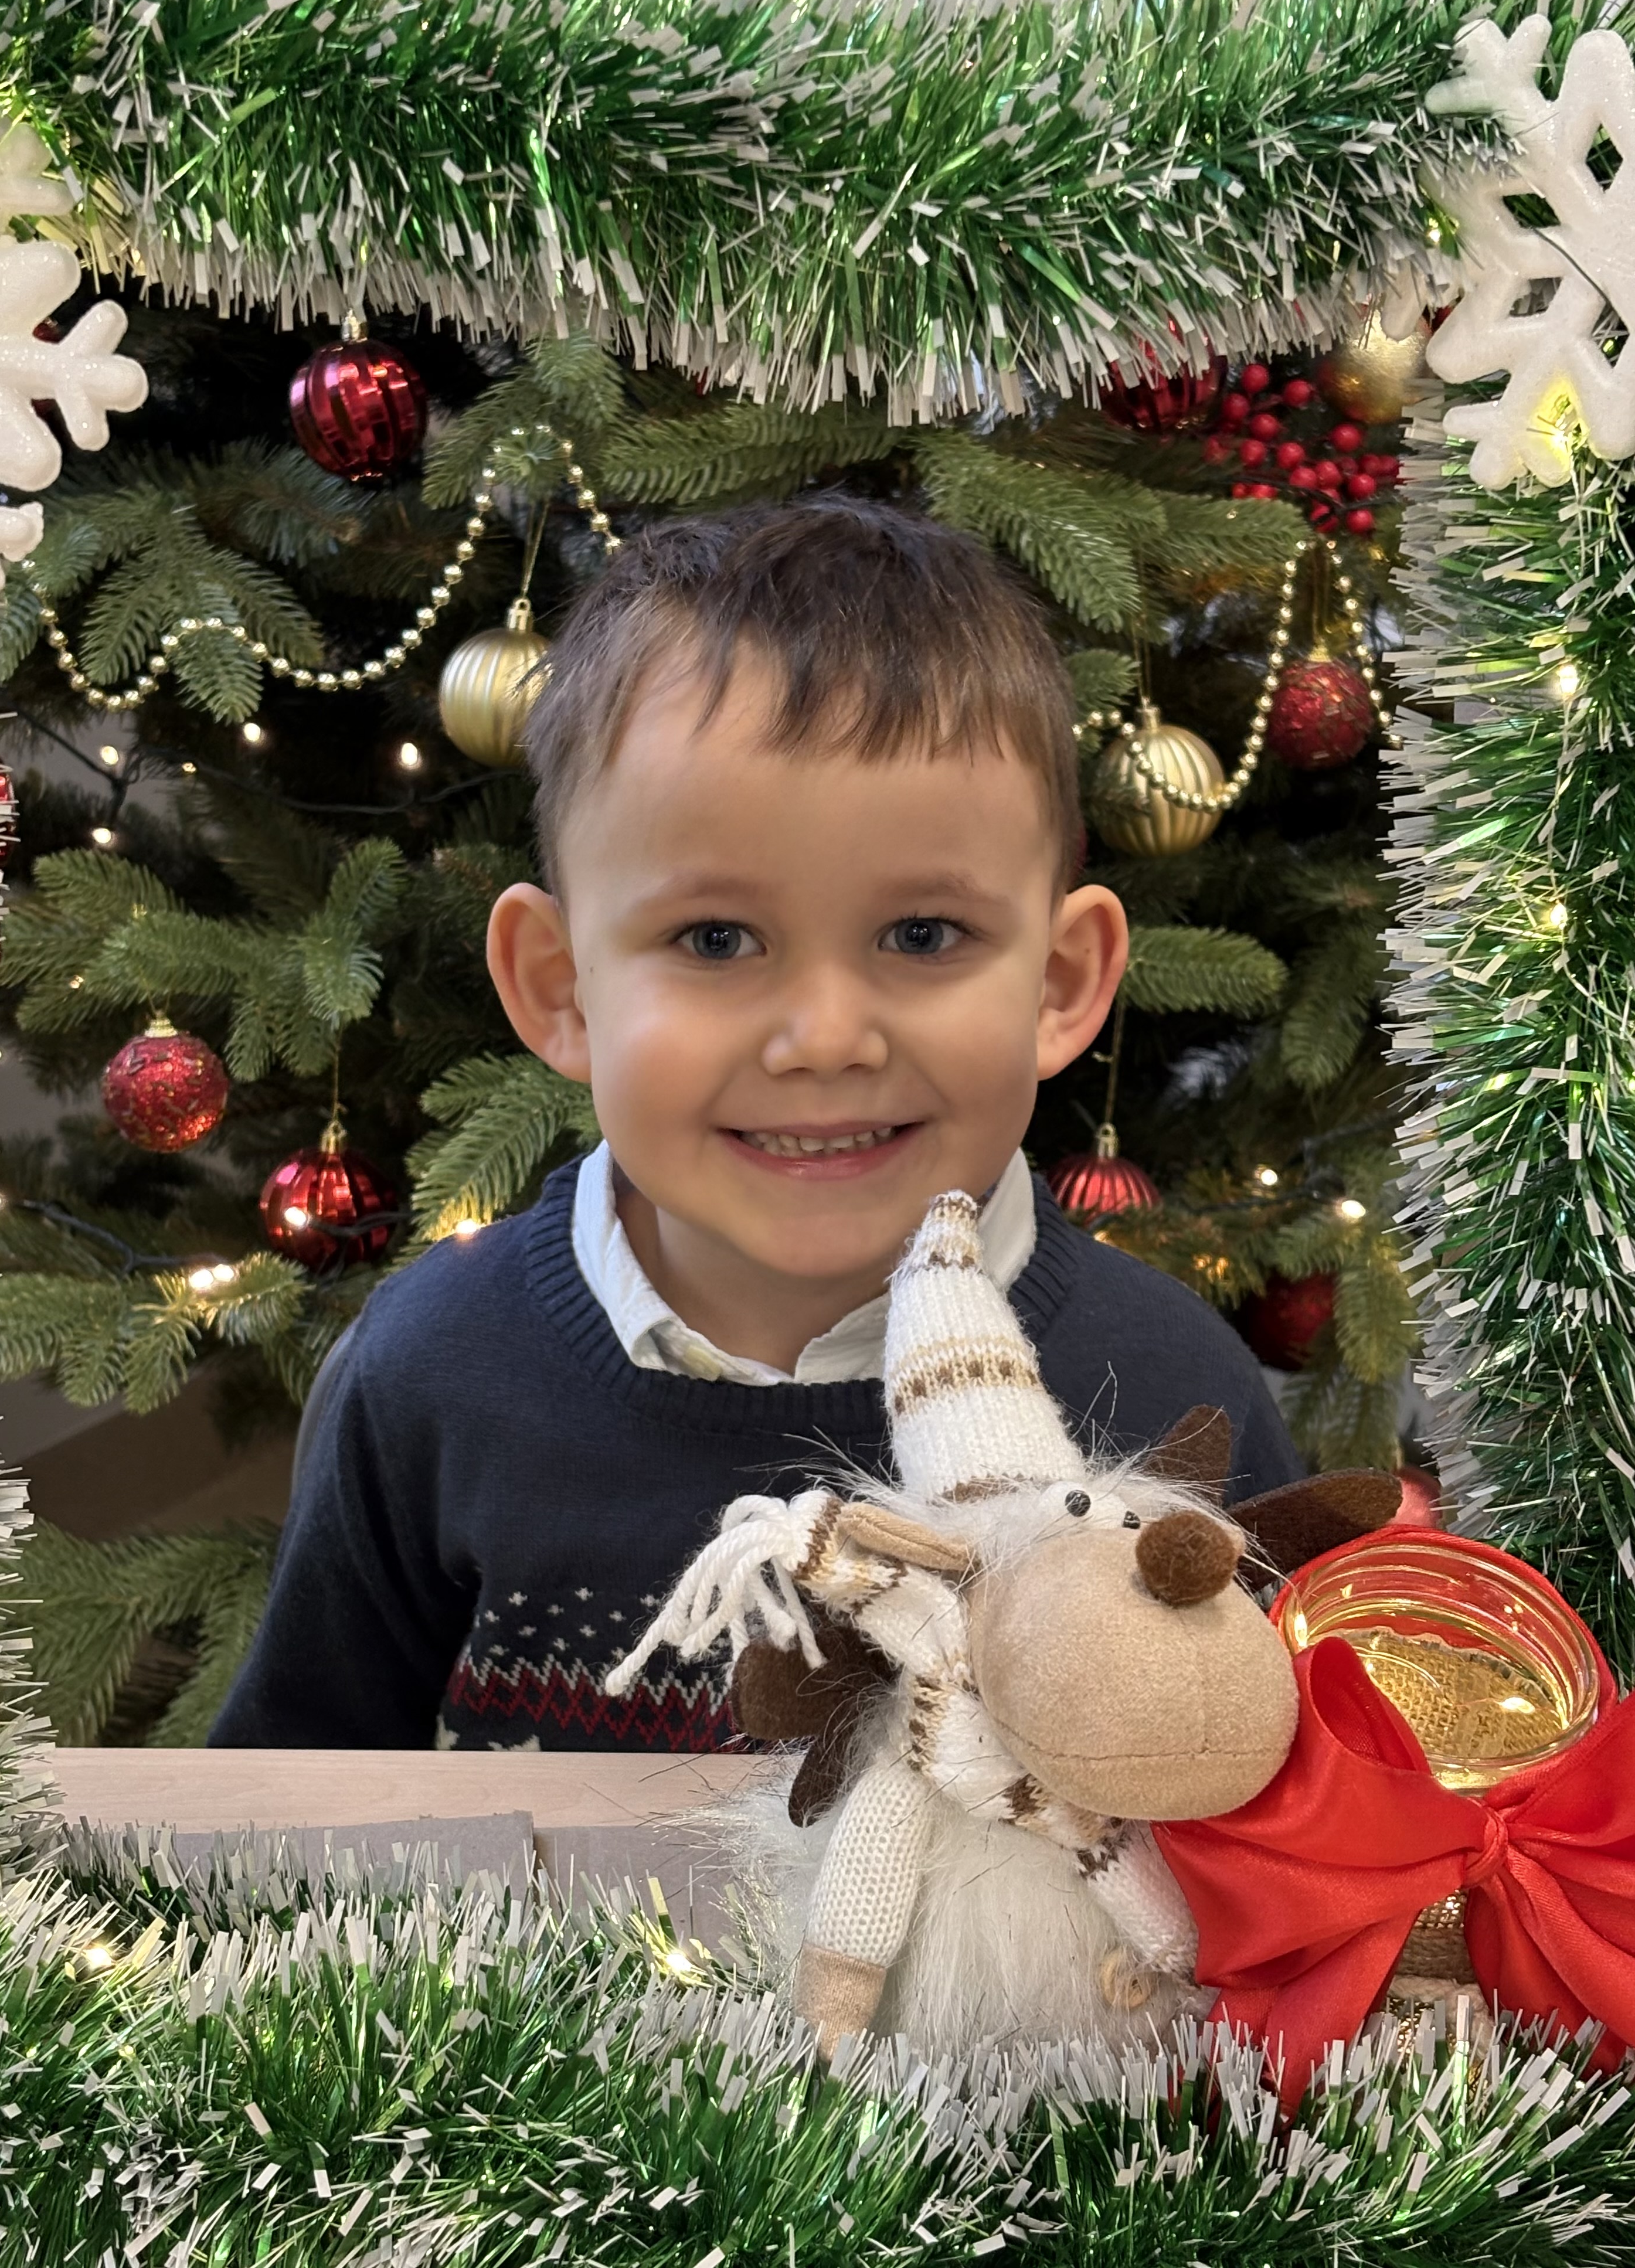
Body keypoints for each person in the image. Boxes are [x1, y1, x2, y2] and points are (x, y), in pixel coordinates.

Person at [210, 498, 1301, 1752]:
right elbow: (281, 1812)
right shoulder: (431, 1373)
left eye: (923, 934)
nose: (825, 1037)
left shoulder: (1173, 1396)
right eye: (716, 939)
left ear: (1059, 984)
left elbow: (1289, 1804)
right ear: (562, 989)